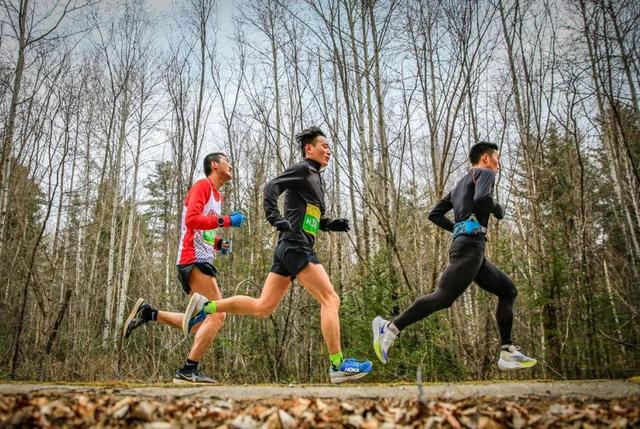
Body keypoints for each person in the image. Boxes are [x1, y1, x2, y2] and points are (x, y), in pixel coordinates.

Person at [185, 127, 372, 383]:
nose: (328, 151)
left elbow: (306, 217)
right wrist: (274, 216)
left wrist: (327, 224)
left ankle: (206, 307)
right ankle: (338, 365)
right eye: (324, 146)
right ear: (309, 148)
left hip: (288, 246)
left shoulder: (316, 177)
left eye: (329, 148)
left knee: (263, 307)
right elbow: (272, 186)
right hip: (295, 246)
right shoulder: (304, 169)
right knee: (331, 299)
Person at [372, 142, 537, 370]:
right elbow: (482, 200)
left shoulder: (460, 184)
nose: (499, 163)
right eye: (497, 157)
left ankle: (508, 351)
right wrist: (497, 210)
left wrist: (460, 228)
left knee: (508, 290)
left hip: (469, 246)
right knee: (443, 297)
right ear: (486, 158)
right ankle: (390, 328)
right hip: (470, 247)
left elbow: (435, 214)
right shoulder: (485, 173)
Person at [122, 152, 246, 383]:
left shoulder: (217, 196)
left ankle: (149, 313)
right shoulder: (202, 186)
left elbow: (202, 230)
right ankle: (188, 371)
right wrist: (226, 221)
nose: (231, 164)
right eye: (227, 160)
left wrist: (219, 243)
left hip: (200, 257)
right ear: (214, 165)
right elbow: (191, 220)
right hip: (193, 259)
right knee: (218, 314)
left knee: (200, 323)